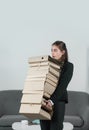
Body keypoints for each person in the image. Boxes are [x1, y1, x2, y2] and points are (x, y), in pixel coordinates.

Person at [40, 41, 74, 130]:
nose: (52, 53)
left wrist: (51, 101)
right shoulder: (48, 64)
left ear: (63, 52)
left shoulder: (68, 66)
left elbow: (63, 85)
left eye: (55, 50)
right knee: (44, 127)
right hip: (45, 100)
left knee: (56, 127)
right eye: (51, 50)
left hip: (58, 100)